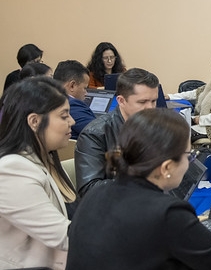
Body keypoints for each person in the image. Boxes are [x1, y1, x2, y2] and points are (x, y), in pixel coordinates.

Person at [66, 108, 211, 269]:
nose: (191, 161)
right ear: (167, 167)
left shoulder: (97, 193)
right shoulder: (167, 214)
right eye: (188, 155)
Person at [0, 77, 78, 269]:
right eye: (63, 115)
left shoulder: (47, 159)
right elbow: (62, 235)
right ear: (34, 121)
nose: (72, 121)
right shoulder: (12, 169)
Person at [75, 68, 159, 196]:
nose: (150, 108)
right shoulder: (95, 134)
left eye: (154, 101)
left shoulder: (153, 125)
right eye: (142, 102)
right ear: (121, 101)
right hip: (115, 208)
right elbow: (89, 189)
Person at [53, 60, 94, 140]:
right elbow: (99, 132)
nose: (86, 93)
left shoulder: (48, 99)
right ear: (72, 85)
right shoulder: (72, 105)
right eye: (84, 88)